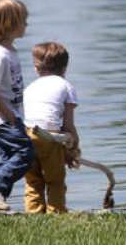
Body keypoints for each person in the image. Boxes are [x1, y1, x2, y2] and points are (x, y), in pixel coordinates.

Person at [0, 0, 34, 211]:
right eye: (23, 21)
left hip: (10, 115)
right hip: (0, 117)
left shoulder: (9, 51)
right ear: (9, 25)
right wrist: (11, 118)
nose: (27, 25)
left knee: (8, 158)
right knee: (25, 152)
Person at [23, 42, 79, 214]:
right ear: (65, 68)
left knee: (33, 180)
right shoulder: (66, 86)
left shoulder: (29, 88)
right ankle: (56, 213)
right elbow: (68, 125)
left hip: (26, 135)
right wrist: (73, 149)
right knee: (55, 180)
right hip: (50, 136)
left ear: (36, 68)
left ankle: (34, 214)